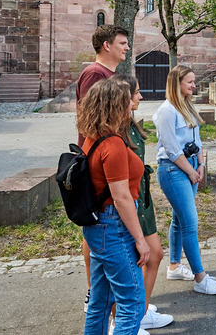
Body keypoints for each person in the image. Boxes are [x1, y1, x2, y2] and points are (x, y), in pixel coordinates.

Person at [78, 78, 149, 335]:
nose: (131, 104)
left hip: (98, 229)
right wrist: (140, 240)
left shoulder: (93, 137)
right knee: (132, 304)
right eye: (125, 101)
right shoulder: (113, 145)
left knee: (100, 303)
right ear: (114, 106)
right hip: (114, 228)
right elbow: (121, 198)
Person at [153, 65, 216, 294]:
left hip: (191, 167)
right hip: (174, 171)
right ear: (177, 83)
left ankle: (174, 266)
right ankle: (200, 278)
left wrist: (201, 164)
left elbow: (198, 140)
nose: (194, 85)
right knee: (190, 223)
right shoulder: (167, 111)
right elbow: (172, 150)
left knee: (179, 220)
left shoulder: (186, 105)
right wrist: (192, 171)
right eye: (190, 82)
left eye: (194, 81)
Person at [112, 74, 175, 330]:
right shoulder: (117, 130)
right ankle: (124, 320)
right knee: (133, 263)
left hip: (143, 199)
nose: (140, 96)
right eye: (136, 93)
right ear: (124, 97)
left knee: (156, 254)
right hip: (130, 202)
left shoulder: (131, 123)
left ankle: (141, 311)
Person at [76, 24, 130, 313]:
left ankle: (107, 298)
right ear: (106, 45)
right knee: (96, 224)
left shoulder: (111, 75)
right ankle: (93, 293)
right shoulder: (94, 74)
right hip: (99, 161)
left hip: (111, 156)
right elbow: (91, 119)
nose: (127, 47)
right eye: (122, 42)